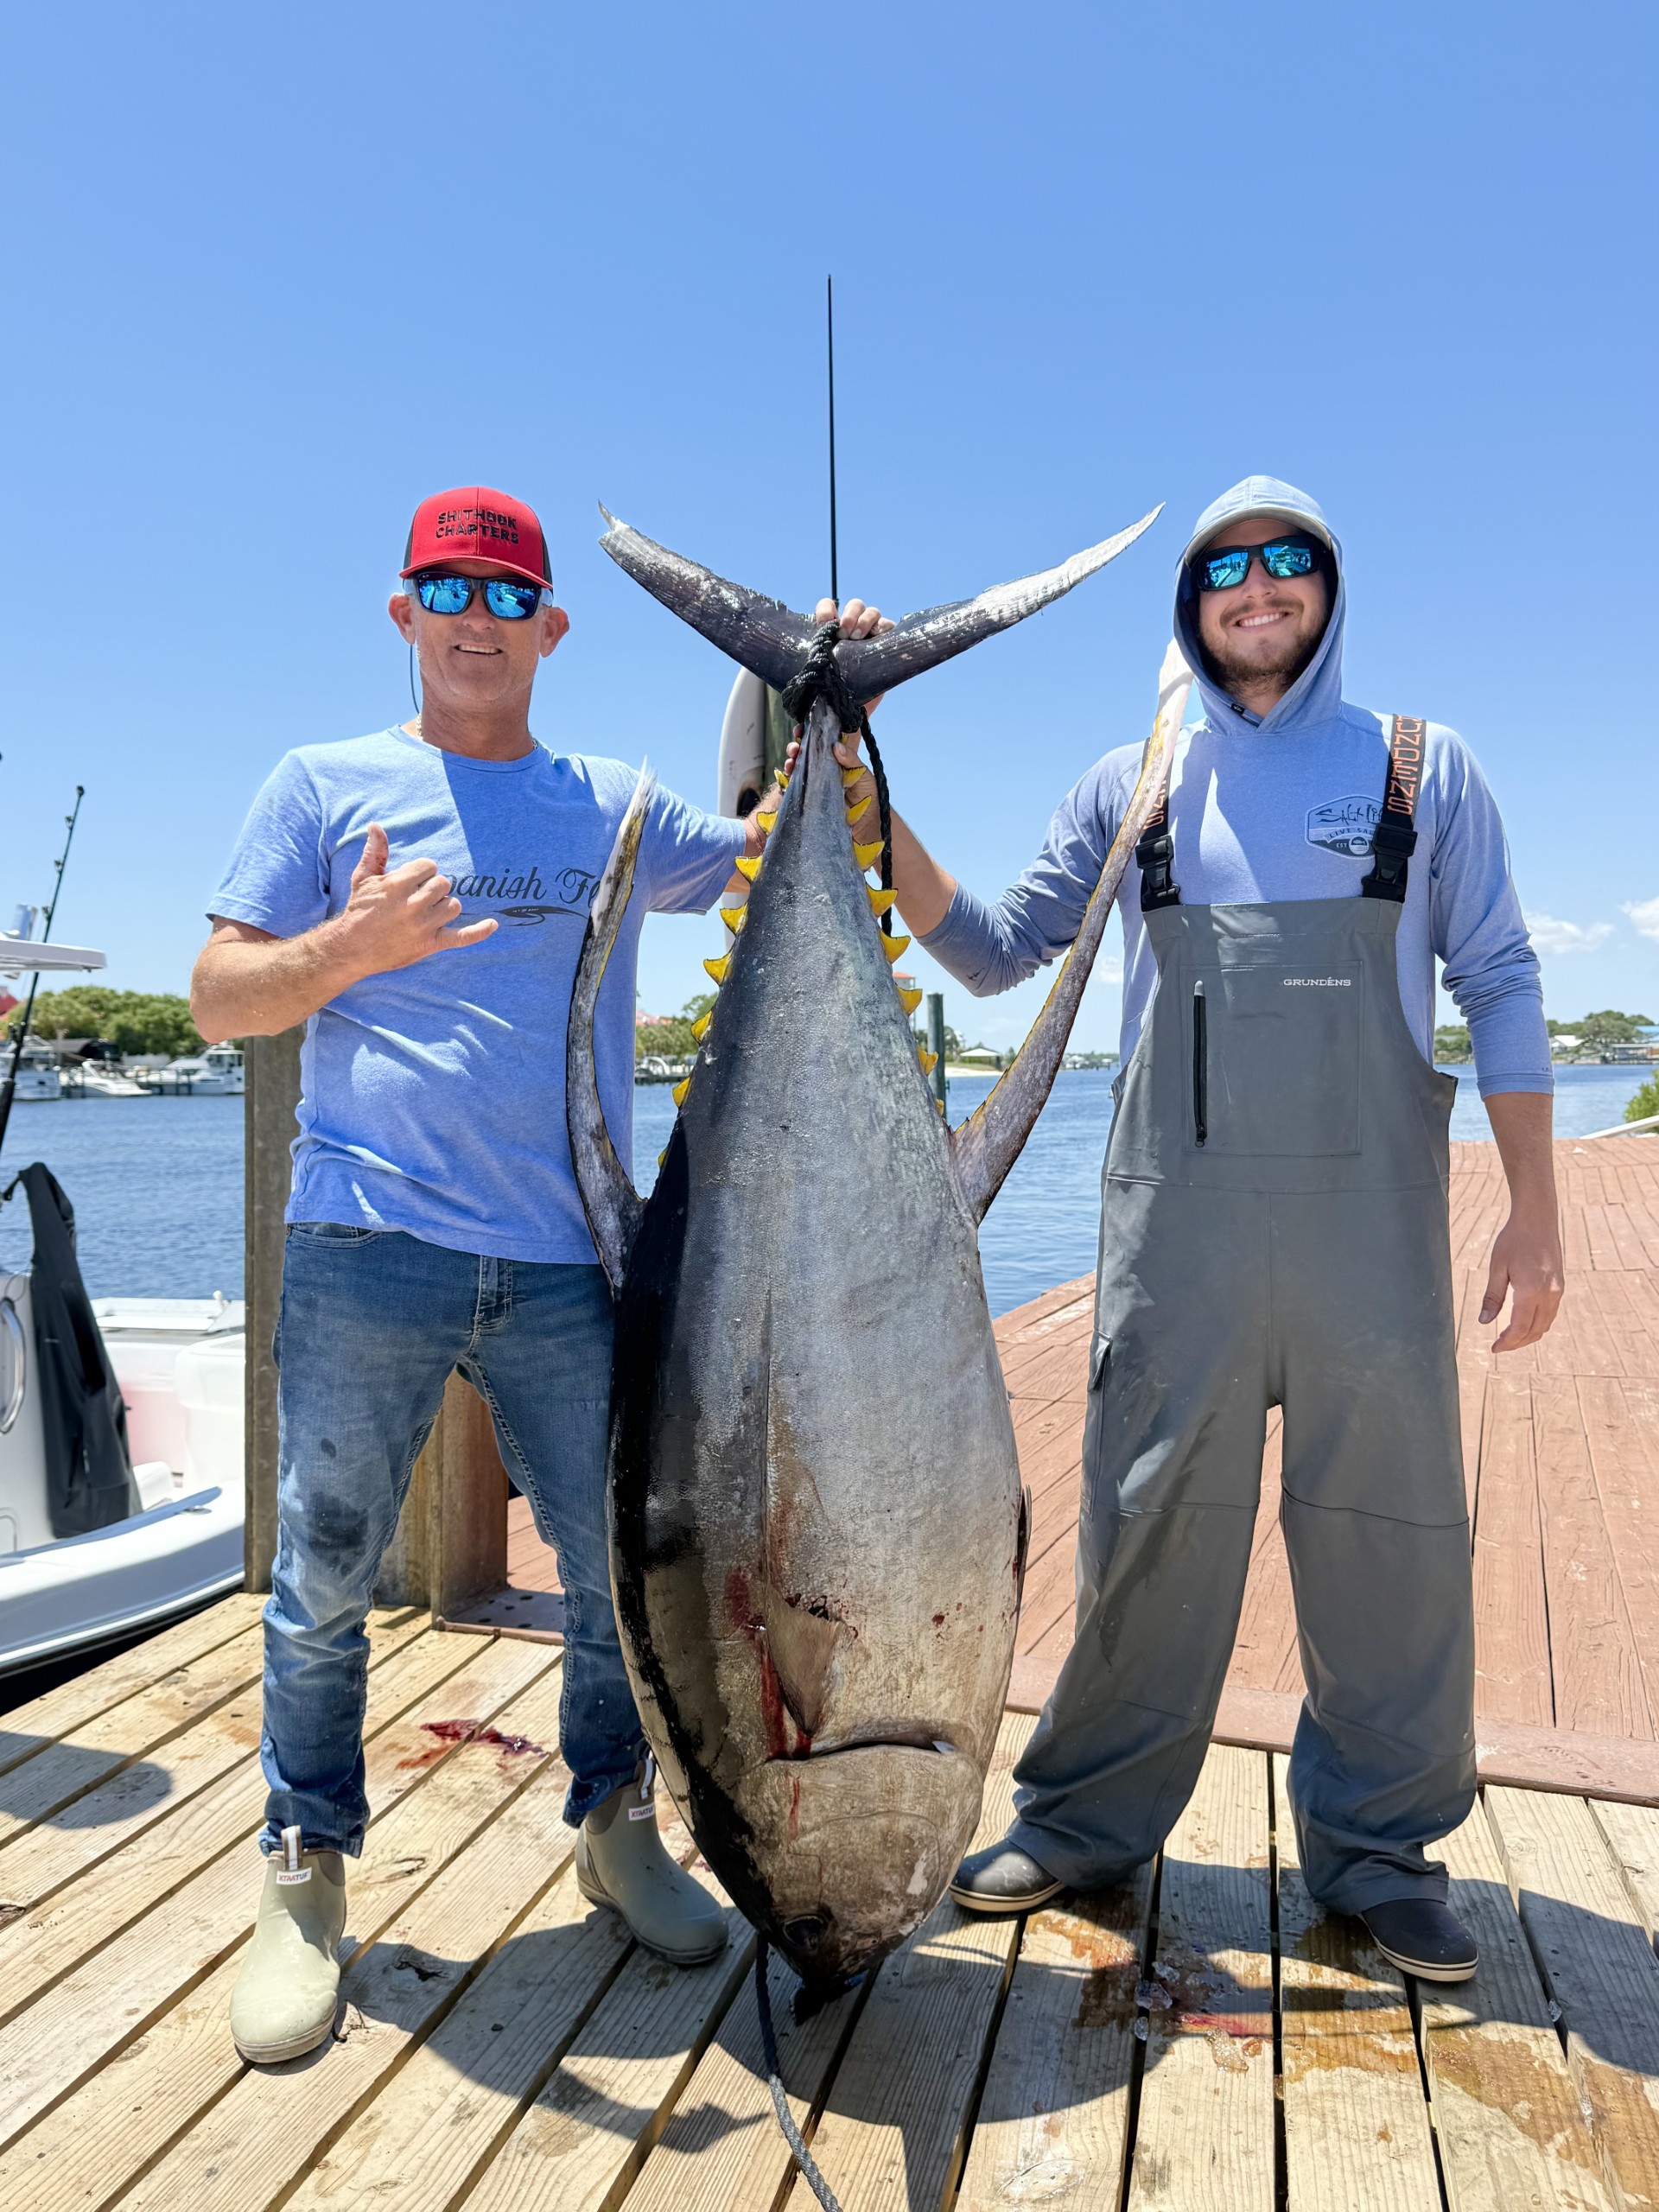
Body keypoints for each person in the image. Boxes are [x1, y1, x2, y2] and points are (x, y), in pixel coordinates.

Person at [828, 477, 1563, 1982]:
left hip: (1375, 1254)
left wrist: (1539, 1211)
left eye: (1289, 561)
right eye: (1226, 567)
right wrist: (872, 815)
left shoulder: (1427, 771)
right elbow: (991, 955)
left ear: (1328, 589)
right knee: (1142, 1523)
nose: (1259, 585)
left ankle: (1379, 1854)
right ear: (1192, 603)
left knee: (1391, 1549)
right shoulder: (1133, 782)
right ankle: (1084, 1823)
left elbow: (1500, 979)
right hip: (1180, 1249)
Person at [194, 486, 772, 2063]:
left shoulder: (615, 804)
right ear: (402, 611)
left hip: (569, 1259)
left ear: (548, 627)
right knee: (321, 1578)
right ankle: (305, 1871)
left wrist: (820, 686)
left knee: (609, 1578)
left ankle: (613, 1826)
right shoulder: (320, 785)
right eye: (444, 587)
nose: (474, 615)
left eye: (505, 594)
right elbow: (214, 998)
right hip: (365, 1243)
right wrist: (344, 953)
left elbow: (771, 857)